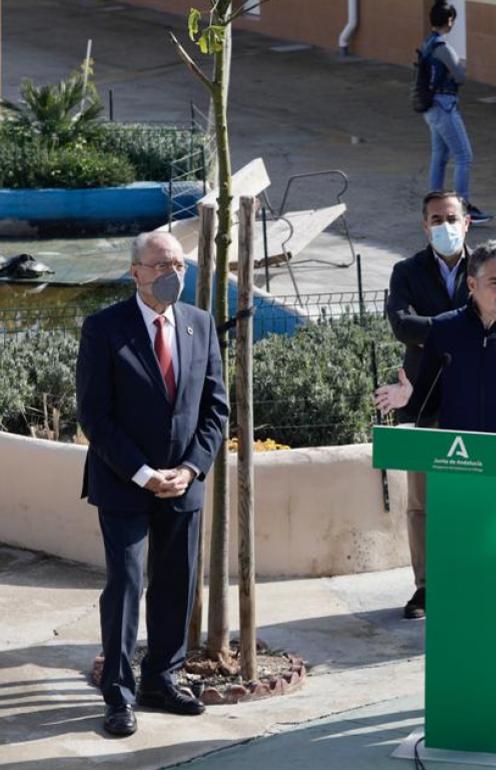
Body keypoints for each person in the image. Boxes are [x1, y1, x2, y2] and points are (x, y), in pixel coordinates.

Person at [375, 240, 496, 728]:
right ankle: (466, 683)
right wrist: (406, 397)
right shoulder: (445, 332)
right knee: (465, 581)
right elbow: (426, 399)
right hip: (463, 481)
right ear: (472, 285)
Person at [76, 231, 229, 737]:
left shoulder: (200, 324)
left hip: (183, 483)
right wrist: (143, 473)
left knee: (176, 584)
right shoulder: (104, 329)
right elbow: (95, 416)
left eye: (179, 264)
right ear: (135, 271)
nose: (173, 274)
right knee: (124, 586)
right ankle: (118, 696)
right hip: (124, 483)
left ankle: (162, 679)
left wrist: (189, 469)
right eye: (161, 266)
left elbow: (215, 410)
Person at [384, 190, 473, 620]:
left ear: (467, 221)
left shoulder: (487, 265)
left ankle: (467, 578)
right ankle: (426, 586)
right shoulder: (407, 271)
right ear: (424, 225)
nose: (445, 226)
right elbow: (402, 326)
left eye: (452, 217)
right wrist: (462, 328)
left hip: (476, 400)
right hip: (423, 403)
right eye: (436, 219)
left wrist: (433, 329)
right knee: (422, 503)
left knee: (472, 494)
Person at [420, 1, 492, 224]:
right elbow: (460, 76)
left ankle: (432, 207)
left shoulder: (427, 44)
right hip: (445, 106)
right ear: (449, 21)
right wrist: (459, 67)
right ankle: (463, 208)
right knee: (463, 156)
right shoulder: (442, 47)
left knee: (440, 156)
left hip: (431, 107)